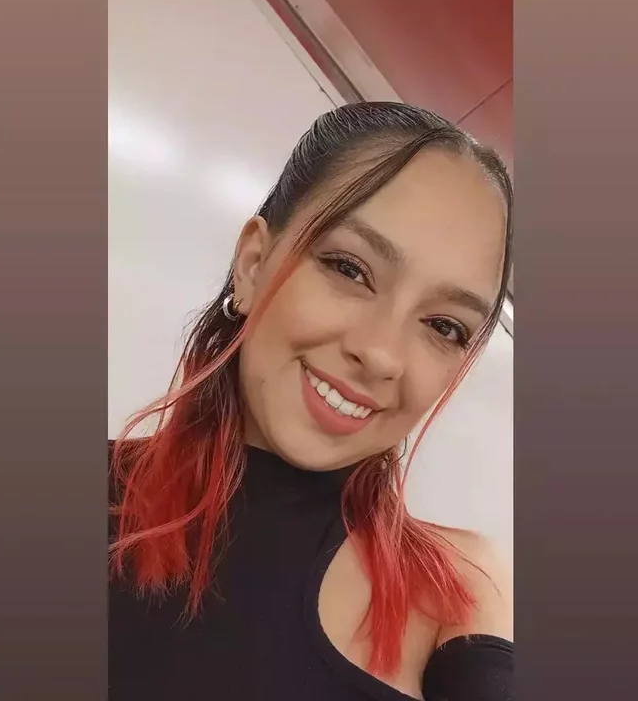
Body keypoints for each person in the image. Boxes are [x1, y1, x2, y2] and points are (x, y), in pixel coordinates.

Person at [109, 101, 514, 701]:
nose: (381, 353)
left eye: (444, 326)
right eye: (350, 269)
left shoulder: (456, 590)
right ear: (253, 264)